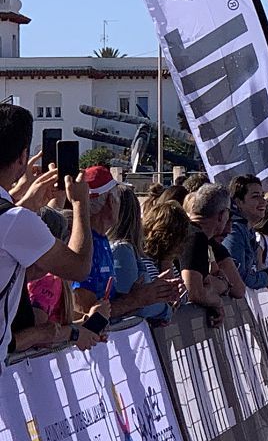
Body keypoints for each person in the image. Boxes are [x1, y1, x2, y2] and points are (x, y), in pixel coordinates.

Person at [0, 103, 94, 371]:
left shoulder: (15, 218)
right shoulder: (15, 221)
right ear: (22, 158)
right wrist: (79, 204)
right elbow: (78, 267)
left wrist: (23, 204)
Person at [73, 166, 180, 321]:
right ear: (111, 202)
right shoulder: (88, 246)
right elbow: (85, 313)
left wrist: (150, 293)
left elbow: (106, 307)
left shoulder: (101, 242)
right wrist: (136, 300)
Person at [180, 184, 244, 326]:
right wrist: (218, 301)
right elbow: (194, 291)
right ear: (222, 215)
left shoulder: (200, 238)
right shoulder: (195, 237)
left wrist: (220, 284)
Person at [109, 184, 173, 323]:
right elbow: (133, 304)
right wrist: (165, 309)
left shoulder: (122, 248)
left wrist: (158, 290)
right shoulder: (122, 250)